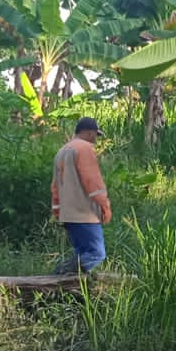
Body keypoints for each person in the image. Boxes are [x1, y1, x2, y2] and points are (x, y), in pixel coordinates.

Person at [50, 117, 111, 274]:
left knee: (81, 253)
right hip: (85, 213)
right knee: (97, 254)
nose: (96, 140)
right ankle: (61, 276)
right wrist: (104, 206)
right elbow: (93, 181)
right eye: (96, 136)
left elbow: (55, 186)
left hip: (68, 214)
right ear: (90, 133)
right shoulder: (84, 149)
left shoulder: (62, 151)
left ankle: (64, 286)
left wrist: (57, 211)